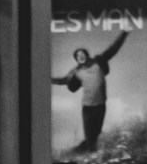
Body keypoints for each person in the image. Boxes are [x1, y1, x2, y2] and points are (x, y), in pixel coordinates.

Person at [53, 24, 128, 153]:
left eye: (82, 54)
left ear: (86, 55)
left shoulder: (98, 61)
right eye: (77, 56)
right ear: (76, 59)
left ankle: (82, 150)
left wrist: (124, 32)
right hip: (87, 108)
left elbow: (112, 50)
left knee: (97, 134)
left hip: (100, 106)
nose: (80, 56)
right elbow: (63, 80)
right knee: (90, 135)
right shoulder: (76, 71)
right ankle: (88, 154)